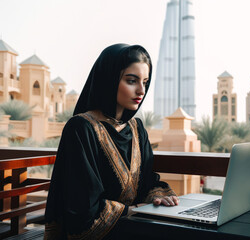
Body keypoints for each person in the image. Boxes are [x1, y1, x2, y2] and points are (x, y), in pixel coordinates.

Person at [44, 43, 179, 239]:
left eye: (145, 81)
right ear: (109, 79)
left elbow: (147, 181)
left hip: (132, 226)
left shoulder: (137, 129)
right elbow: (82, 209)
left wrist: (159, 197)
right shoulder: (81, 128)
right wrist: (132, 211)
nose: (141, 90)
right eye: (132, 81)